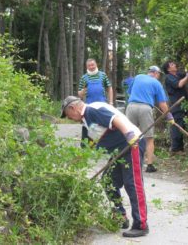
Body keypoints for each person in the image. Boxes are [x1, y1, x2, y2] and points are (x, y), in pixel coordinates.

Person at [60, 96, 149, 238]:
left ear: (73, 108)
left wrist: (130, 135)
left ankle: (141, 224)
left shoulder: (93, 109)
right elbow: (86, 147)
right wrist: (71, 166)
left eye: (67, 115)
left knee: (132, 183)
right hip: (118, 152)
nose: (69, 118)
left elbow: (116, 119)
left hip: (131, 144)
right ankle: (120, 216)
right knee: (108, 180)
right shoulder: (85, 122)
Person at [126, 66, 174, 173]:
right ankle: (149, 165)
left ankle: (127, 163)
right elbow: (162, 104)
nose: (159, 76)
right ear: (156, 73)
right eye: (159, 75)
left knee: (130, 135)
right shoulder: (156, 83)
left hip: (131, 106)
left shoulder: (138, 77)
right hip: (145, 109)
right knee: (149, 138)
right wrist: (169, 116)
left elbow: (130, 92)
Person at [78, 58, 113, 144]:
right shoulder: (84, 77)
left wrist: (111, 102)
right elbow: (79, 94)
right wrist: (83, 91)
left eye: (92, 65)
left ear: (96, 64)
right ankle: (87, 145)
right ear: (87, 67)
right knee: (88, 125)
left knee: (102, 125)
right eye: (89, 65)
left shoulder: (103, 75)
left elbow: (109, 88)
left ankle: (103, 144)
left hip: (102, 105)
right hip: (89, 106)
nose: (91, 67)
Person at [162, 61, 188, 155]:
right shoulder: (169, 77)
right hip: (176, 105)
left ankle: (180, 149)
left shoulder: (177, 74)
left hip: (183, 104)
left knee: (182, 125)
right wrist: (187, 76)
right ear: (168, 69)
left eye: (174, 63)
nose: (174, 64)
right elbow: (179, 84)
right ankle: (175, 149)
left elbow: (186, 75)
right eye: (171, 65)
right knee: (176, 126)